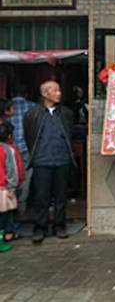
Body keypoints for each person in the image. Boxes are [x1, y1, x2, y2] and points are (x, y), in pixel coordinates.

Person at [23, 81, 75, 244]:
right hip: (42, 160)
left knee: (61, 196)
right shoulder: (32, 114)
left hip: (62, 159)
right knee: (41, 197)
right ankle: (40, 227)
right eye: (55, 90)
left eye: (59, 90)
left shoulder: (66, 113)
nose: (59, 93)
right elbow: (29, 137)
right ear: (45, 94)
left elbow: (70, 133)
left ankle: (60, 226)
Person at [10, 86, 36, 215]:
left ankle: (10, 206)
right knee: (26, 177)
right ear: (26, 93)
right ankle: (22, 206)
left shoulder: (7, 107)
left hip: (10, 148)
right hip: (27, 147)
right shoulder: (33, 107)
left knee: (11, 176)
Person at [0, 123, 25, 249]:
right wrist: (12, 187)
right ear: (10, 136)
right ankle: (7, 235)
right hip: (5, 188)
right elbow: (13, 170)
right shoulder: (9, 150)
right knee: (7, 213)